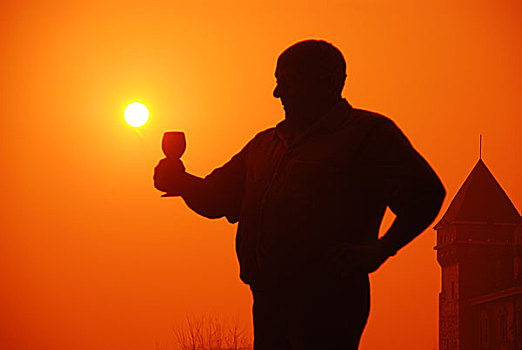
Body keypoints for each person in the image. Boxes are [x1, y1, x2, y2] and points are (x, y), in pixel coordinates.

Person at [153, 39, 445, 350]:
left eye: (287, 84)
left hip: (329, 302)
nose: (277, 94)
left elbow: (425, 194)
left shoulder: (367, 135)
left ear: (328, 83)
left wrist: (381, 248)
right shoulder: (266, 145)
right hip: (269, 301)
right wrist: (182, 182)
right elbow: (216, 196)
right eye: (278, 83)